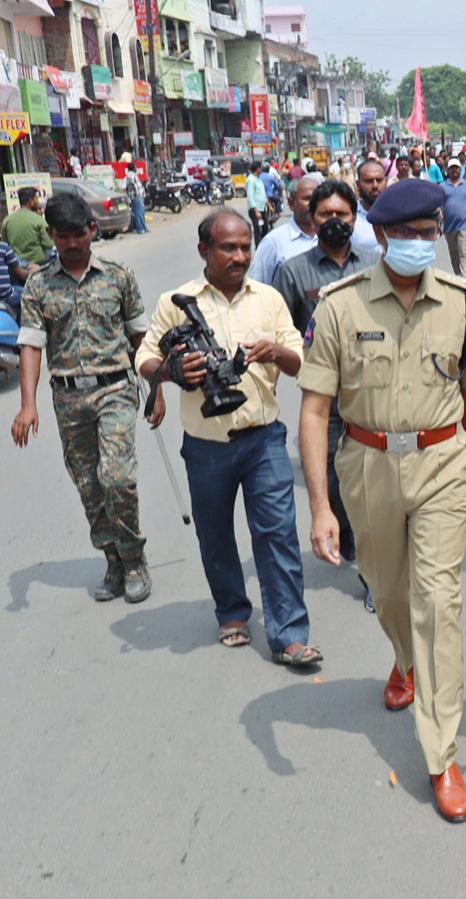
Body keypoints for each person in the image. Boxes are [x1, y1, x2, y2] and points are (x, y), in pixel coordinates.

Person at [298, 180, 466, 822]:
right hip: (368, 466)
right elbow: (315, 409)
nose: (418, 245)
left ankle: (440, 755)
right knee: (387, 591)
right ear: (379, 237)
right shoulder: (338, 307)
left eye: (428, 234)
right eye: (405, 236)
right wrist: (322, 508)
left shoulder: (464, 305)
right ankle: (404, 659)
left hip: (441, 462)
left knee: (438, 601)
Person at [136, 210, 316, 663]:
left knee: (277, 534)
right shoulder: (174, 303)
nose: (239, 256)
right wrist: (172, 371)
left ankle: (290, 634)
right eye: (227, 248)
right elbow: (144, 358)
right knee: (215, 534)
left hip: (263, 439)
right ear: (204, 251)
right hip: (205, 444)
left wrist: (275, 351)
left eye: (244, 246)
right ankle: (232, 611)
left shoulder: (269, 299)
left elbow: (298, 359)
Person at [10, 192, 151, 603]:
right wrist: (28, 403)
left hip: (115, 389)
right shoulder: (38, 285)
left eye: (79, 234)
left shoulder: (118, 275)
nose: (72, 244)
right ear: (50, 235)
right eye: (62, 237)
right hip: (69, 398)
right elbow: (32, 345)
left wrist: (155, 387)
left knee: (117, 478)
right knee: (89, 485)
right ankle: (113, 559)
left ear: (92, 230)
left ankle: (135, 558)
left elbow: (141, 337)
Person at [273, 179, 378, 612]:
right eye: (325, 216)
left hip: (373, 393)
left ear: (355, 218)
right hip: (323, 398)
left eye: (342, 215)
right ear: (310, 220)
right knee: (335, 481)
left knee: (373, 480)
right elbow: (279, 328)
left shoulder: (374, 263)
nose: (334, 222)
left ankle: (375, 573)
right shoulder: (293, 271)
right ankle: (346, 530)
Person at [247, 174, 321, 284]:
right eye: (307, 199)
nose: (313, 204)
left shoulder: (329, 238)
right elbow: (256, 286)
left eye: (318, 199)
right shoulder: (273, 242)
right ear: (291, 203)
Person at [440, 157, 466, 279]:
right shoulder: (442, 187)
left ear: (460, 170)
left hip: (464, 226)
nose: (454, 170)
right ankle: (458, 277)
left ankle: (465, 278)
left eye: (456, 168)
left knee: (464, 252)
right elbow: (438, 206)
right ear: (447, 170)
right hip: (449, 227)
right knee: (454, 255)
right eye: (451, 168)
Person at [2, 188, 54, 265]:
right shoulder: (39, 220)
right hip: (39, 265)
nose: (38, 202)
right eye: (36, 198)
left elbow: (5, 244)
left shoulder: (7, 220)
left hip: (16, 265)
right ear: (31, 201)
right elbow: (49, 244)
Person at [351, 159, 388, 254]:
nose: (375, 186)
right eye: (369, 181)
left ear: (386, 181)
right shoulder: (350, 215)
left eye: (379, 180)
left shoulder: (398, 213)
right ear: (358, 185)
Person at [245, 160, 268, 247]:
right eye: (260, 167)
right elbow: (250, 196)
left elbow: (262, 194)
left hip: (262, 208)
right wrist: (256, 210)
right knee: (257, 229)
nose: (261, 169)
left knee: (266, 228)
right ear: (257, 169)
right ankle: (258, 248)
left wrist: (268, 204)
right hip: (255, 209)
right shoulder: (251, 180)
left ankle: (263, 245)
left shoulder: (258, 179)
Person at [124, 163, 147, 235]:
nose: (136, 168)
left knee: (141, 212)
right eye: (135, 167)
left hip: (138, 195)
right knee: (139, 213)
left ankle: (142, 227)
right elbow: (127, 186)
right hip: (136, 196)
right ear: (133, 168)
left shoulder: (132, 174)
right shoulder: (130, 176)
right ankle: (140, 229)